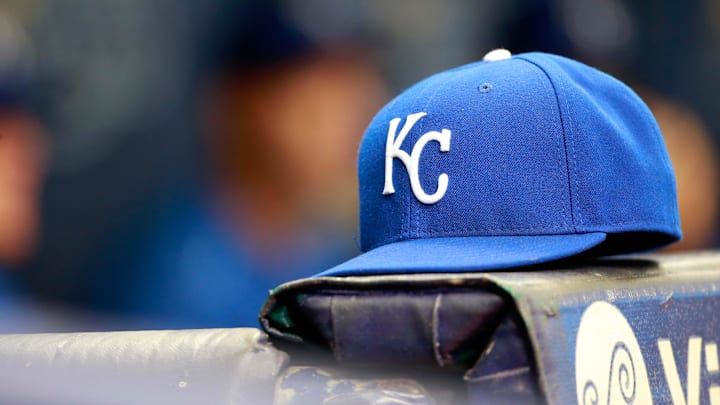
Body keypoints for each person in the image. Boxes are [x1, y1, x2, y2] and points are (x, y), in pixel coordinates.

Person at [85, 5, 386, 328]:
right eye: (322, 86)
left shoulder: (335, 258)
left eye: (358, 79)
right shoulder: (172, 274)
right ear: (244, 105)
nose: (359, 110)